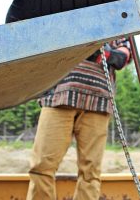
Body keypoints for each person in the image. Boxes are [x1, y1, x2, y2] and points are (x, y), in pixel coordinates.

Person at [26, 38, 131, 200]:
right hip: (58, 93)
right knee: (41, 167)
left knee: (91, 173)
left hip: (98, 99)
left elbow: (125, 54)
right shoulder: (59, 12)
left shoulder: (113, 15)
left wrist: (106, 54)